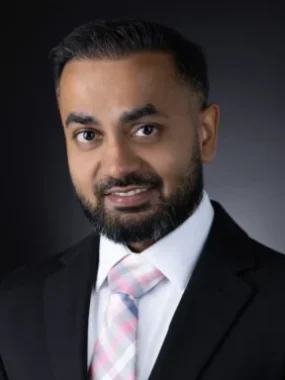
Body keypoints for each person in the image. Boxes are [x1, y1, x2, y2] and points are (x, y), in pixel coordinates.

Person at [0, 19, 285, 380]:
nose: (118, 166)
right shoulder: (13, 307)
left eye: (145, 129)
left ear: (205, 134)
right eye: (88, 134)